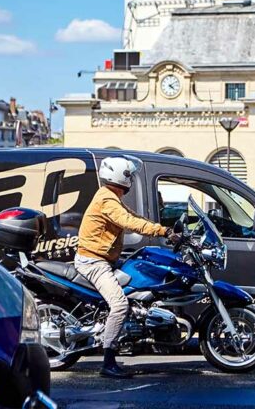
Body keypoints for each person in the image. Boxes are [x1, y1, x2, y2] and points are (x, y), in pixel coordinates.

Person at [76, 156, 176, 379]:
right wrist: (163, 232)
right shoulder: (107, 200)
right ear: (121, 177)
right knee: (120, 304)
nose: (131, 179)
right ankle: (108, 362)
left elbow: (133, 216)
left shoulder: (111, 196)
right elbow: (129, 222)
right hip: (94, 262)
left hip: (105, 259)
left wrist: (165, 229)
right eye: (129, 175)